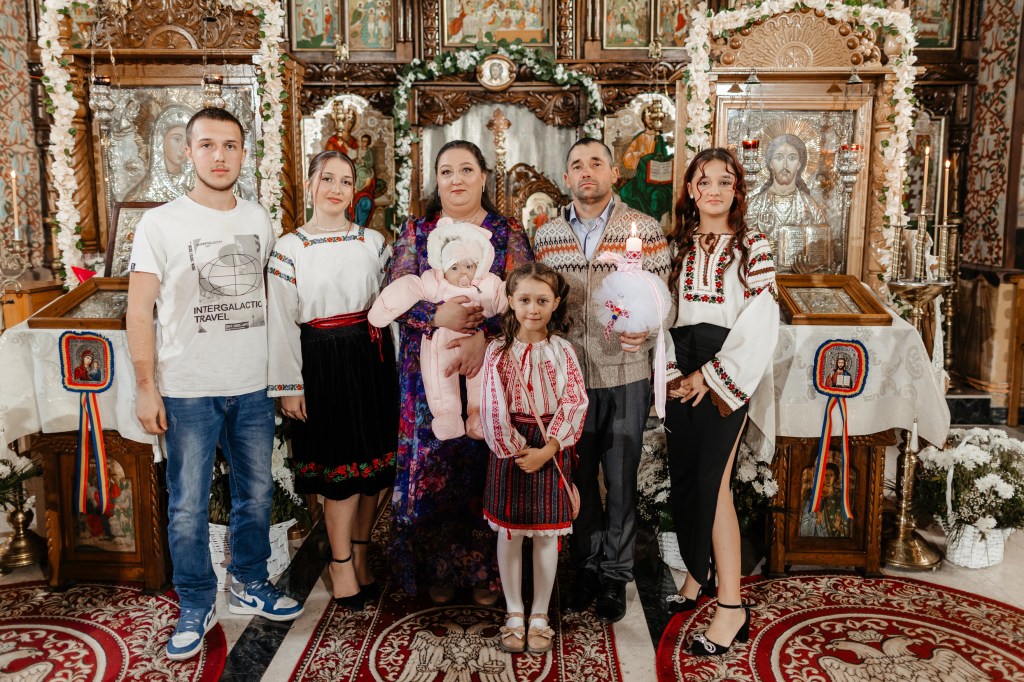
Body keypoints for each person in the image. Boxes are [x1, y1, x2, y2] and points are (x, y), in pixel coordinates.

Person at [126, 107, 304, 662]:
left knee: (256, 492)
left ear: (244, 153)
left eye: (230, 145)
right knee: (186, 504)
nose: (219, 156)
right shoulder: (160, 224)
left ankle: (249, 580)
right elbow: (139, 310)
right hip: (188, 388)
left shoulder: (259, 219)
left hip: (251, 385)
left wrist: (284, 378)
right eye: (207, 145)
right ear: (188, 151)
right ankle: (196, 602)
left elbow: (275, 301)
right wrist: (146, 386)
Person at [387, 139, 533, 605]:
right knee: (436, 461)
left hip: (492, 368)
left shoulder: (506, 232)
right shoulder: (418, 230)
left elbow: (526, 296)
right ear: (436, 179)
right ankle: (438, 569)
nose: (456, 179)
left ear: (484, 177)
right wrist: (435, 316)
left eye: (467, 169)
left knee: (485, 461)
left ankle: (488, 573)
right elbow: (394, 294)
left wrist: (482, 336)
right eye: (446, 171)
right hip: (429, 369)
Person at [533, 138, 670, 624]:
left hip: (625, 374)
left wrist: (647, 328)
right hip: (568, 377)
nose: (586, 171)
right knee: (577, 478)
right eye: (577, 165)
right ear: (566, 178)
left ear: (614, 173)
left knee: (621, 478)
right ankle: (586, 567)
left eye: (596, 163)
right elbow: (538, 299)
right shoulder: (547, 235)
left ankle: (616, 573)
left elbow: (663, 299)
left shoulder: (643, 229)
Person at [266, 150, 398, 610]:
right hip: (321, 360)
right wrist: (290, 386)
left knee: (373, 469)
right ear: (310, 184)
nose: (336, 188)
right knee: (341, 471)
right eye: (327, 178)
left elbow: (391, 305)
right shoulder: (290, 248)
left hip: (371, 356)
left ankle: (360, 552)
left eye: (345, 180)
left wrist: (398, 371)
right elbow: (281, 321)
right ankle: (340, 563)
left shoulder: (373, 242)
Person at [662, 147, 778, 656]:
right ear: (690, 189)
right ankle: (696, 575)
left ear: (737, 190)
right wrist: (671, 369)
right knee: (686, 479)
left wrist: (709, 376)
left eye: (724, 181)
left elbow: (761, 321)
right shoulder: (676, 246)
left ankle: (731, 607)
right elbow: (662, 312)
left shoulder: (753, 246)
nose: (713, 190)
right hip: (679, 362)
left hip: (726, 365)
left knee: (714, 485)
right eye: (704, 181)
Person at [480, 262, 588, 654]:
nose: (533, 308)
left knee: (546, 535)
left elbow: (574, 400)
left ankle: (539, 613)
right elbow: (492, 404)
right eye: (524, 299)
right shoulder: (497, 351)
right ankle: (514, 611)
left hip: (551, 445)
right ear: (510, 300)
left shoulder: (563, 350)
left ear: (556, 303)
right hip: (510, 448)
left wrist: (548, 449)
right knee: (509, 533)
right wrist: (514, 449)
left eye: (542, 300)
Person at [369, 219, 506, 440]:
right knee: (440, 374)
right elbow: (409, 287)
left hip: (484, 347)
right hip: (439, 342)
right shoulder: (433, 279)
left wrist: (486, 336)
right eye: (454, 267)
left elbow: (515, 301)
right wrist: (436, 316)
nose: (463, 273)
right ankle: (447, 415)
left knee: (481, 378)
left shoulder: (489, 281)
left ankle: (479, 415)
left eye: (469, 266)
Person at [745, 134, 828, 269]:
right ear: (770, 163)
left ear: (800, 164)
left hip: (800, 278)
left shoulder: (811, 206)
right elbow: (742, 245)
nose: (785, 165)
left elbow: (823, 246)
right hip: (761, 274)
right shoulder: (754, 205)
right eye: (778, 157)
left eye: (792, 158)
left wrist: (809, 262)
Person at [128, 105, 193, 201]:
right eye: (177, 139)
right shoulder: (141, 194)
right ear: (161, 141)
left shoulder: (195, 185)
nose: (183, 148)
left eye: (188, 142)